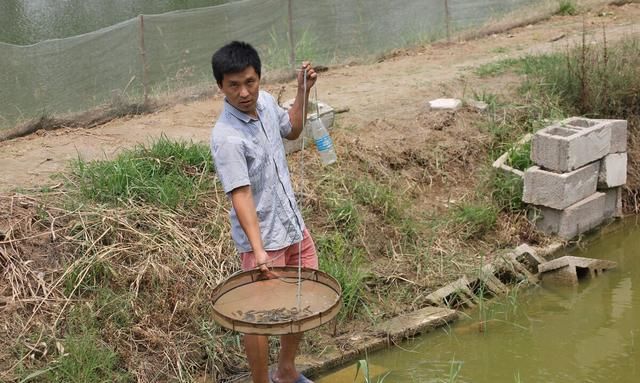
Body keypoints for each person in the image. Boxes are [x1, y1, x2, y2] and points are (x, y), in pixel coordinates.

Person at [210, 41, 317, 383]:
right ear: (220, 87)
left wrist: (303, 92)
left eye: (250, 81)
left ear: (259, 78)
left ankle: (285, 370)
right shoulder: (227, 137)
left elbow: (293, 129)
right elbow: (240, 194)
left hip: (292, 225)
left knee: (302, 298)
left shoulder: (267, 102)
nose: (244, 92)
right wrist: (258, 253)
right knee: (258, 316)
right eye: (234, 85)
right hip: (264, 239)